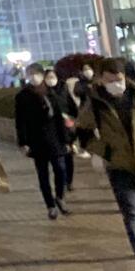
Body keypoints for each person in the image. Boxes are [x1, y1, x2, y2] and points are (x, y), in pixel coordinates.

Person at [76, 57, 135, 271]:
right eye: (110, 80)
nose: (116, 84)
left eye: (119, 79)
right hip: (118, 167)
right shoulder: (96, 102)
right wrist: (107, 152)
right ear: (101, 79)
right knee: (132, 212)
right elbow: (84, 134)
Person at [15, 65, 74, 219]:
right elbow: (20, 121)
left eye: (36, 74)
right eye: (30, 74)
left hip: (55, 138)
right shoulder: (23, 96)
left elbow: (59, 119)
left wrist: (66, 140)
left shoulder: (51, 93)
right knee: (43, 175)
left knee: (60, 169)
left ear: (42, 75)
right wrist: (23, 142)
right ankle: (50, 205)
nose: (33, 77)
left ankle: (60, 197)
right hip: (36, 140)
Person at [48, 66, 82, 194]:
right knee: (59, 160)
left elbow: (72, 107)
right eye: (48, 77)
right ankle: (61, 182)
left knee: (68, 157)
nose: (51, 80)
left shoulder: (63, 89)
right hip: (53, 130)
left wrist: (73, 121)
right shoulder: (43, 93)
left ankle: (69, 181)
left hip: (67, 127)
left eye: (53, 76)